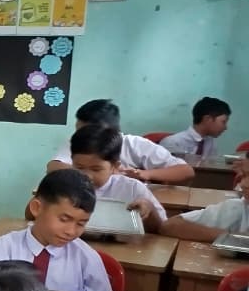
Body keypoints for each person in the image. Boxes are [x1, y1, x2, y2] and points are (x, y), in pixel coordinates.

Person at [0, 169, 115, 291]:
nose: (71, 231)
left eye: (81, 223)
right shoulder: (5, 247)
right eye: (64, 219)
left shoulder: (87, 258)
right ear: (36, 208)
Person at [47, 99, 193, 184]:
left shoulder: (135, 144)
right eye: (78, 130)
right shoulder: (78, 141)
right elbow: (54, 167)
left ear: (110, 131)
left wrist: (146, 174)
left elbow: (186, 171)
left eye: (87, 132)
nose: (81, 136)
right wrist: (99, 173)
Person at [69, 124, 165, 232]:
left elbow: (161, 228)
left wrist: (149, 210)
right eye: (79, 167)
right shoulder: (63, 186)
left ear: (115, 167)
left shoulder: (132, 188)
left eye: (96, 169)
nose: (87, 175)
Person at [160, 177, 249, 241]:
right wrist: (231, 237)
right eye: (244, 175)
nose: (243, 185)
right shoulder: (239, 207)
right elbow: (170, 226)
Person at [160, 97, 232, 159]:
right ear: (207, 119)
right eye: (223, 122)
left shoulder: (211, 143)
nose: (225, 127)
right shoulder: (173, 142)